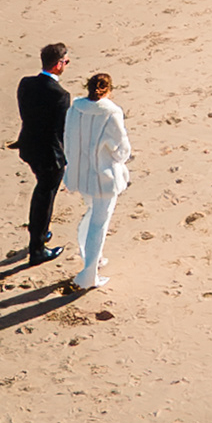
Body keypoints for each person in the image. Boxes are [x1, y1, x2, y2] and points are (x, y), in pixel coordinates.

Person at [62, 72, 131, 294]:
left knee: (92, 213)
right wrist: (117, 161)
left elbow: (68, 139)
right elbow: (122, 149)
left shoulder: (75, 109)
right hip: (103, 177)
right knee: (99, 222)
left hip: (81, 174)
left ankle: (93, 257)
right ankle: (89, 274)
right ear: (109, 90)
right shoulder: (111, 112)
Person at [9, 43, 70, 266]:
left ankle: (41, 232)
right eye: (66, 62)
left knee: (42, 191)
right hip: (49, 155)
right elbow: (61, 129)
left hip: (29, 146)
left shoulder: (26, 83)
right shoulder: (60, 95)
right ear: (58, 65)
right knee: (45, 196)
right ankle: (37, 248)